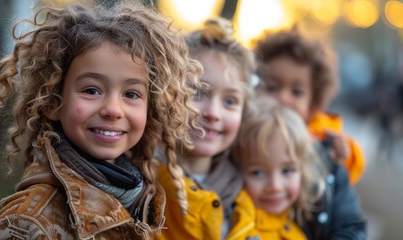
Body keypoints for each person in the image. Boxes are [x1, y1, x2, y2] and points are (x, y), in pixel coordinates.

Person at [0, 1, 202, 239]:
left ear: (151, 109)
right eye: (92, 90)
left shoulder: (147, 206)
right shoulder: (26, 224)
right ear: (52, 102)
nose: (113, 110)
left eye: (131, 94)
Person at [254, 29, 366, 240]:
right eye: (272, 87)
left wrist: (344, 151)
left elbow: (349, 225)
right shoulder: (240, 143)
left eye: (297, 92)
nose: (284, 98)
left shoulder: (325, 154)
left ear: (313, 103)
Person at [154, 17, 257, 240]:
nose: (213, 113)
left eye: (230, 101)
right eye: (197, 93)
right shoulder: (144, 185)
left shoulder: (247, 191)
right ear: (168, 94)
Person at [232, 97, 326, 240]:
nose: (275, 186)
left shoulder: (296, 227)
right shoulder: (241, 228)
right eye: (257, 172)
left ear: (302, 170)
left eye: (287, 170)